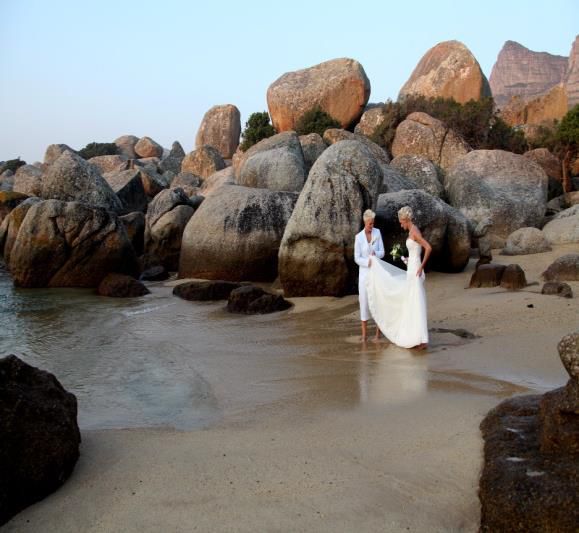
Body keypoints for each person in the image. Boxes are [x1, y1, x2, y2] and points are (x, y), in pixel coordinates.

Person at [366, 206, 432, 350]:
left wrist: (421, 267)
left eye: (401, 222)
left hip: (415, 271)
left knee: (416, 301)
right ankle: (419, 338)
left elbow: (428, 248)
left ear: (405, 220)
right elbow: (416, 252)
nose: (400, 224)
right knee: (412, 302)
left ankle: (422, 340)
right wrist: (408, 260)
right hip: (411, 268)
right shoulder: (412, 231)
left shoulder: (414, 231)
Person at [354, 209, 385, 341]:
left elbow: (382, 251)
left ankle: (378, 334)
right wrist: (368, 262)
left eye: (373, 223)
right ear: (364, 222)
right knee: (364, 302)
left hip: (377, 273)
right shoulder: (358, 237)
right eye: (369, 224)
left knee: (378, 301)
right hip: (364, 274)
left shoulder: (377, 232)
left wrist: (375, 255)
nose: (372, 226)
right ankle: (364, 335)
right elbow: (356, 257)